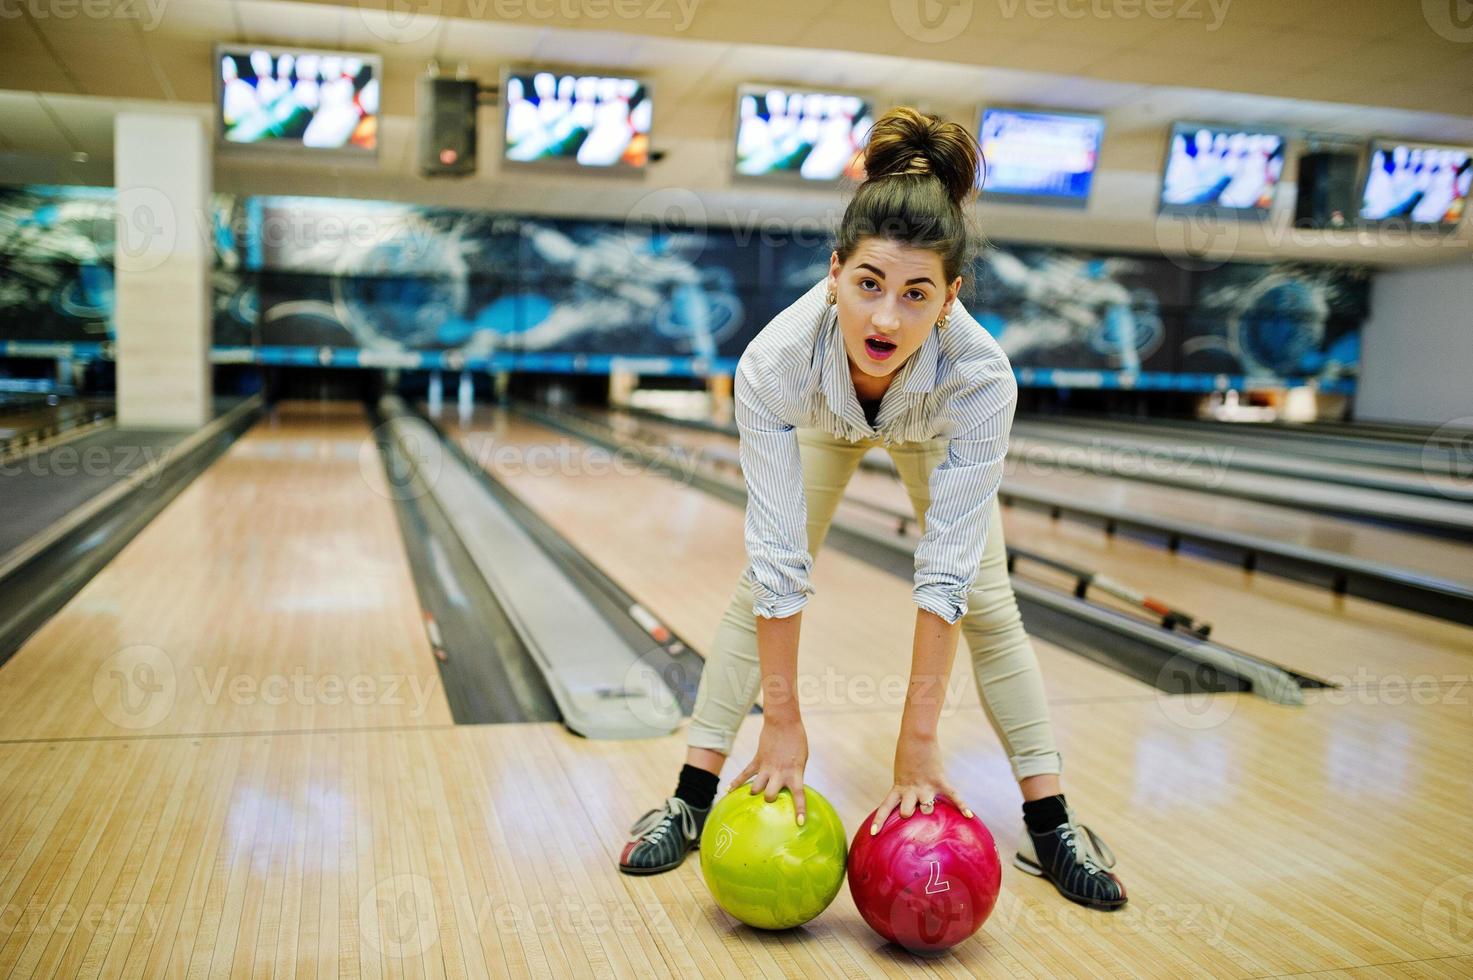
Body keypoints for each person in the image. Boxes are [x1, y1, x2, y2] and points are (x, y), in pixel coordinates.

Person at [618, 106, 1126, 911]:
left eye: (916, 293)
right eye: (868, 285)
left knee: (989, 604)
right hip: (823, 417)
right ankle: (689, 797)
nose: (886, 317)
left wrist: (917, 741)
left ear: (950, 298)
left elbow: (945, 577)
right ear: (833, 273)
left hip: (931, 427)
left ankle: (1053, 821)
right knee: (761, 585)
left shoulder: (981, 379)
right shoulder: (775, 364)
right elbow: (781, 561)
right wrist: (781, 722)